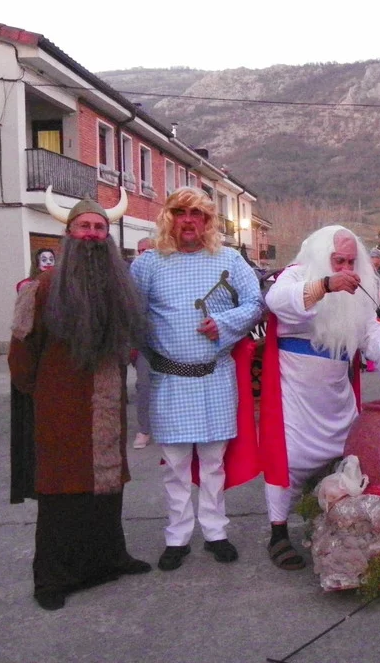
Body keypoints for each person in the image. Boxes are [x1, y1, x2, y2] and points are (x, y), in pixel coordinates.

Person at [8, 188, 152, 610]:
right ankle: (52, 579)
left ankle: (111, 558)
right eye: (84, 227)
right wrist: (45, 395)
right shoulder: (42, 287)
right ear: (68, 234)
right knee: (62, 491)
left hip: (108, 405)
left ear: (107, 236)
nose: (91, 234)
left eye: (99, 228)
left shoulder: (119, 287)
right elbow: (21, 353)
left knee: (108, 486)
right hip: (60, 407)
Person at [131, 188, 263, 573]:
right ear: (169, 218)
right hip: (169, 379)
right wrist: (155, 353)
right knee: (174, 466)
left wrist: (222, 323)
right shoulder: (148, 264)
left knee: (213, 463)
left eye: (197, 214)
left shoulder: (229, 260)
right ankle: (177, 536)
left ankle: (215, 532)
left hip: (215, 377)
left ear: (207, 221)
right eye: (180, 212)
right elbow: (135, 316)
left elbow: (255, 304)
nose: (188, 220)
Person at [260, 225, 380, 570]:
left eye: (351, 262)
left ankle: (334, 518)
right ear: (322, 257)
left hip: (338, 394)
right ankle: (278, 532)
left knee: (348, 455)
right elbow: (276, 301)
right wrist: (325, 285)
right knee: (291, 458)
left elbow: (370, 329)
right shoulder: (296, 275)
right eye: (338, 261)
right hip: (296, 393)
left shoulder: (356, 289)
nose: (346, 268)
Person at [132, 237, 156, 449]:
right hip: (144, 342)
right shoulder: (131, 276)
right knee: (144, 385)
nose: (143, 255)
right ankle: (144, 430)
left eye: (147, 250)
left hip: (168, 341)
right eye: (140, 251)